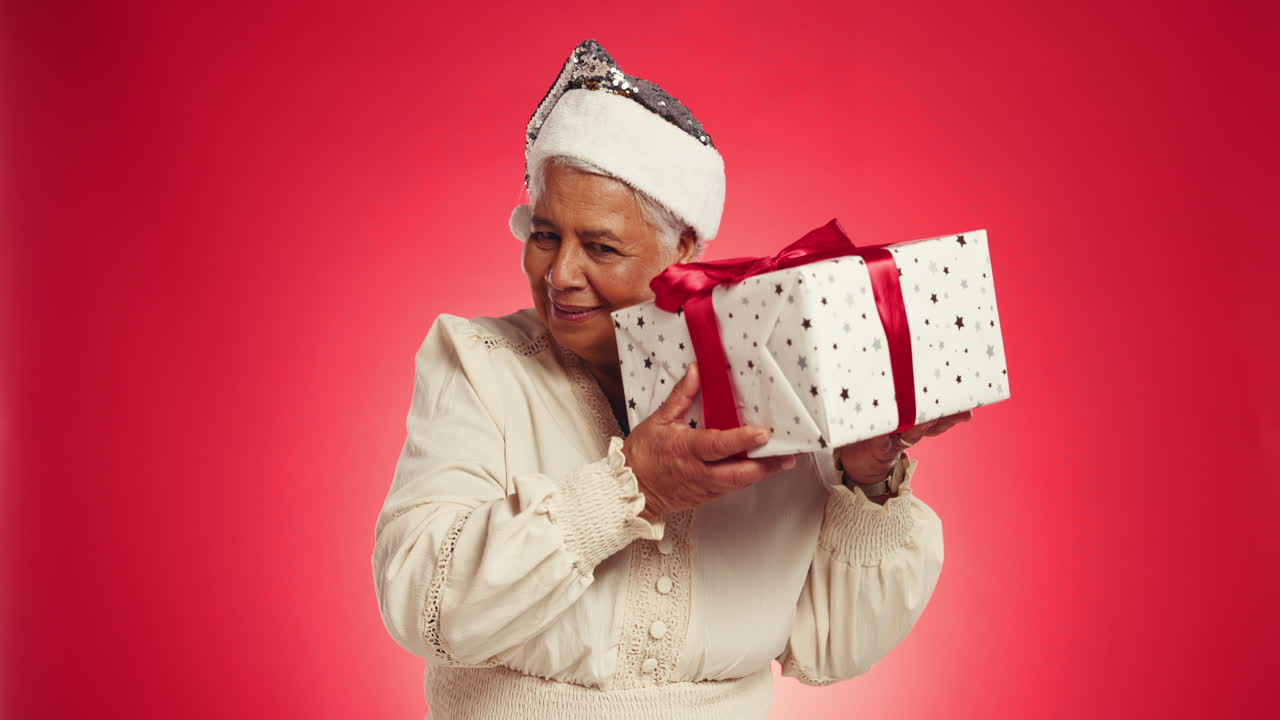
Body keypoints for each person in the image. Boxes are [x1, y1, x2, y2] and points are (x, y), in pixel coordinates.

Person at [371, 38, 972, 719]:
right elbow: (423, 603)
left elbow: (830, 646)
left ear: (683, 246)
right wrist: (633, 489)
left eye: (599, 246)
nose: (561, 274)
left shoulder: (770, 369)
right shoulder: (477, 361)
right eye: (544, 235)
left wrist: (868, 470)